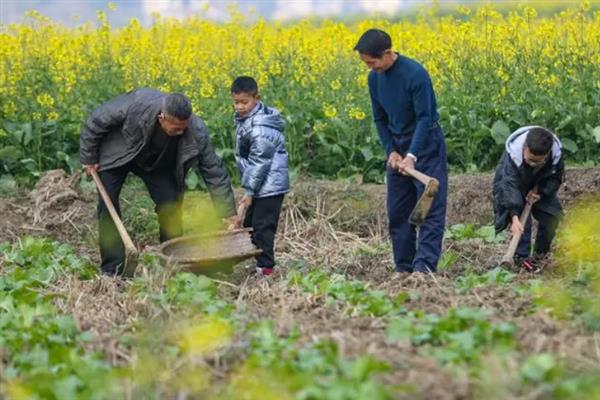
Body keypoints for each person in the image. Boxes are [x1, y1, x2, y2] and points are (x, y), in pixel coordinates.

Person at [80, 88, 237, 276]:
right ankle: (112, 268)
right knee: (107, 204)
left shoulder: (196, 129)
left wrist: (228, 211)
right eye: (176, 127)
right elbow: (96, 120)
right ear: (162, 117)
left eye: (184, 127)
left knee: (170, 204)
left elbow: (214, 171)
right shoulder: (137, 104)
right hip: (119, 154)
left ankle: (172, 261)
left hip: (157, 163)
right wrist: (89, 157)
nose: (181, 132)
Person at [354, 28, 448, 274]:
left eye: (372, 63)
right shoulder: (374, 79)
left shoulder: (415, 74)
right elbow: (380, 119)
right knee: (398, 211)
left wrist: (412, 156)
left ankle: (424, 269)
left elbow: (425, 119)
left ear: (387, 53)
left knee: (429, 209)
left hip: (425, 144)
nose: (369, 68)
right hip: (398, 146)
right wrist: (392, 152)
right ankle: (404, 268)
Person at [231, 76, 289, 276]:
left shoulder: (260, 128)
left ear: (257, 99)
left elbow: (259, 162)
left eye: (244, 102)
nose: (239, 107)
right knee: (249, 225)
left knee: (262, 227)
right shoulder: (248, 119)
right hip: (260, 184)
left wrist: (249, 191)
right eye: (236, 102)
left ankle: (266, 268)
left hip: (269, 185)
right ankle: (257, 262)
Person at [493, 126, 564, 271]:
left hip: (540, 184)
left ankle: (540, 256)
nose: (533, 164)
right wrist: (514, 217)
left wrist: (542, 193)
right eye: (530, 160)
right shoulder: (513, 157)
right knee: (522, 223)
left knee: (551, 216)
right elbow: (509, 186)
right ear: (525, 147)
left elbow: (556, 178)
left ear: (548, 153)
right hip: (515, 182)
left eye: (538, 162)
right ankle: (521, 258)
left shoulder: (556, 155)